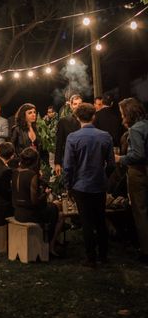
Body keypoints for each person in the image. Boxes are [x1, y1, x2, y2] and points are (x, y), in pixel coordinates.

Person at [64, 103, 115, 267]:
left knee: (86, 222)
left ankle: (91, 257)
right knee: (100, 220)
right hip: (99, 184)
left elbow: (68, 166)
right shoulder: (105, 136)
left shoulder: (72, 137)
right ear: (94, 117)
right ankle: (104, 256)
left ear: (77, 118)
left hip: (81, 185)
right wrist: (104, 176)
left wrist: (68, 185)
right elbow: (112, 164)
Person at [12, 147, 63, 257]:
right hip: (29, 214)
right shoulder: (31, 175)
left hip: (18, 211)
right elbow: (35, 202)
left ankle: (51, 241)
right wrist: (46, 193)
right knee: (57, 210)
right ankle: (50, 245)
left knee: (53, 207)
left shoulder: (15, 171)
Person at [116, 98, 148, 263]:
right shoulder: (146, 125)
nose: (121, 115)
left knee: (140, 211)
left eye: (122, 112)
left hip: (139, 172)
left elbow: (137, 155)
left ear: (128, 113)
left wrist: (119, 158)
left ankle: (145, 250)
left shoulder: (135, 130)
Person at [55, 94, 83, 175]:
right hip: (68, 158)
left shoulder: (87, 120)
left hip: (85, 158)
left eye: (80, 104)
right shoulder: (63, 121)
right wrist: (57, 162)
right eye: (75, 104)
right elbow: (59, 143)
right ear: (71, 105)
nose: (77, 106)